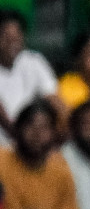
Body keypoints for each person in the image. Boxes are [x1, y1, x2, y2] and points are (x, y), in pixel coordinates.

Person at [0, 101, 78, 209]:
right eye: (30, 125)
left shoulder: (61, 171)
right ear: (18, 128)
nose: (36, 134)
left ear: (54, 135)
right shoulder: (1, 160)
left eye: (44, 128)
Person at [0, 8, 60, 144]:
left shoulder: (34, 61)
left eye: (16, 36)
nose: (12, 41)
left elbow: (53, 99)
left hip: (30, 142)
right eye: (5, 36)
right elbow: (6, 122)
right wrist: (27, 138)